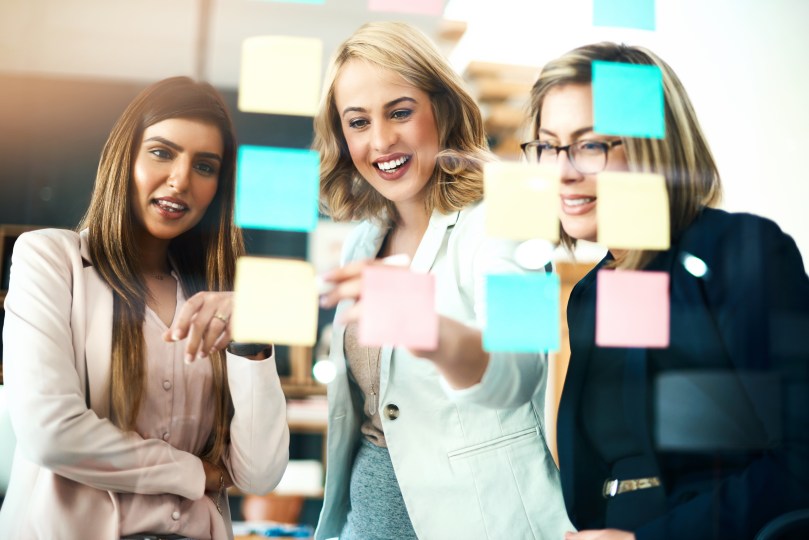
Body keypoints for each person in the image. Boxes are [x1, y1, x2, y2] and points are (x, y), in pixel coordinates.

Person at [523, 42, 809, 540]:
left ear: (653, 146)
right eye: (548, 146)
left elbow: (802, 458)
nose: (564, 170)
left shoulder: (740, 252)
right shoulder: (590, 295)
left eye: (590, 145)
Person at [0, 76, 289, 539]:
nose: (180, 179)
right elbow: (50, 431)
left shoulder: (219, 296)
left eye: (205, 166)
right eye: (161, 152)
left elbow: (259, 474)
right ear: (125, 158)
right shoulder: (53, 260)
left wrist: (251, 338)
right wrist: (196, 474)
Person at [314, 21, 572, 539]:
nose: (381, 140)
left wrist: (426, 328)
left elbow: (518, 372)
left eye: (401, 112)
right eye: (358, 122)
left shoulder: (509, 210)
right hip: (367, 521)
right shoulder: (367, 236)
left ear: (443, 109)